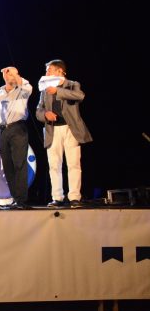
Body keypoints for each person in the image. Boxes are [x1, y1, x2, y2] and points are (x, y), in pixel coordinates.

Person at [35, 59, 92, 208]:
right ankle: (57, 197)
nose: (46, 73)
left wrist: (58, 91)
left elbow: (80, 96)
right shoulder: (45, 89)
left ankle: (74, 197)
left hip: (70, 129)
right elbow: (38, 111)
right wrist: (45, 114)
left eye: (49, 70)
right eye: (46, 71)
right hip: (53, 130)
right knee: (54, 165)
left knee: (73, 164)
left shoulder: (72, 84)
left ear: (59, 71)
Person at [0, 66, 33, 209]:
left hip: (17, 128)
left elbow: (28, 88)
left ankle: (22, 200)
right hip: (3, 130)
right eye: (7, 74)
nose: (9, 76)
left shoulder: (22, 89)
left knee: (19, 164)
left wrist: (15, 73)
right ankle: (15, 198)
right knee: (7, 166)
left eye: (12, 74)